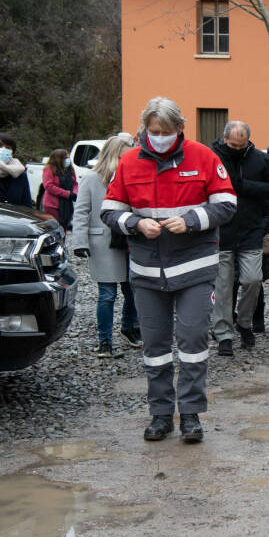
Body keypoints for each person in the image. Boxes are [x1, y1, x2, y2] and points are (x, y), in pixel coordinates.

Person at [101, 96, 237, 443]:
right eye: (153, 130)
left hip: (194, 269)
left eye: (166, 131)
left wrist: (192, 220)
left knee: (193, 341)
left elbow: (227, 205)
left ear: (181, 128)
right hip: (147, 271)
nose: (159, 136)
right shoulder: (129, 162)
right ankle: (160, 414)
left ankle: (190, 414)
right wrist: (134, 223)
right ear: (145, 129)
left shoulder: (204, 157)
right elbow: (109, 211)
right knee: (155, 347)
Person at [210, 121, 269, 356]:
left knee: (253, 280)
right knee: (222, 287)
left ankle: (244, 322)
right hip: (221, 231)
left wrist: (245, 187)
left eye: (241, 145)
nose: (237, 149)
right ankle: (223, 335)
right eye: (233, 144)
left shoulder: (260, 159)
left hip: (252, 231)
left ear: (248, 142)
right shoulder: (211, 157)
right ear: (224, 138)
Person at [71, 135, 142, 357]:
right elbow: (81, 211)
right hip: (103, 242)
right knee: (107, 294)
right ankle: (105, 341)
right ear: (114, 153)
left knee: (134, 290)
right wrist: (80, 241)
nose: (128, 158)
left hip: (129, 240)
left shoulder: (132, 176)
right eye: (124, 155)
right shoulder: (92, 179)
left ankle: (129, 326)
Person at [42, 149, 78, 229]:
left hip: (67, 205)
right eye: (66, 158)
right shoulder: (49, 169)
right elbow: (48, 186)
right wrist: (67, 194)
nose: (68, 160)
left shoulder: (69, 169)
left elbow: (75, 183)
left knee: (64, 228)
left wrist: (75, 193)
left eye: (68, 158)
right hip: (52, 205)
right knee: (55, 228)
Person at [0, 133, 32, 207]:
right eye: (0, 146)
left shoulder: (21, 175)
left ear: (12, 154)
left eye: (7, 148)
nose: (3, 150)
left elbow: (27, 205)